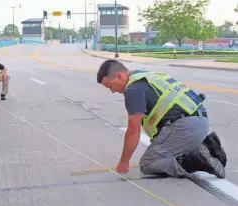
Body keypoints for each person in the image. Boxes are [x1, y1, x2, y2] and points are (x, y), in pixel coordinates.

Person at [96, 59, 227, 179]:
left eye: (110, 86)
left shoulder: (133, 89)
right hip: (200, 121)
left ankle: (197, 160)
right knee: (164, 154)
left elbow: (133, 130)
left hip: (185, 126)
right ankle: (209, 147)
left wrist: (123, 163)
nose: (112, 91)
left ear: (119, 76)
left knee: (148, 163)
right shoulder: (146, 76)